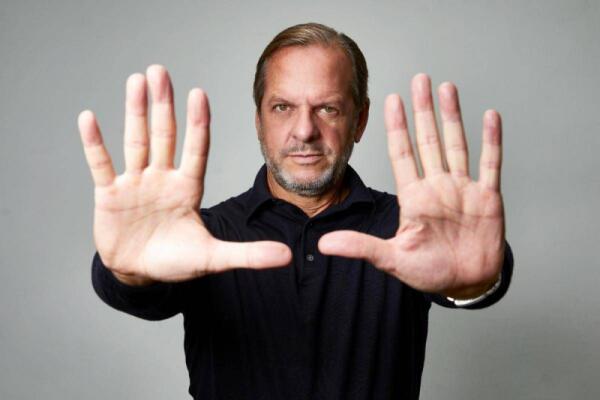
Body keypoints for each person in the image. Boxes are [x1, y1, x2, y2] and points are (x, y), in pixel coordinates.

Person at [79, 22, 513, 400]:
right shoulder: (203, 235)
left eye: (328, 108)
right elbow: (137, 293)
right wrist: (127, 272)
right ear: (259, 120)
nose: (304, 131)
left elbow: (474, 277)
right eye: (282, 107)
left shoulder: (411, 229)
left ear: (359, 121)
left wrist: (475, 282)